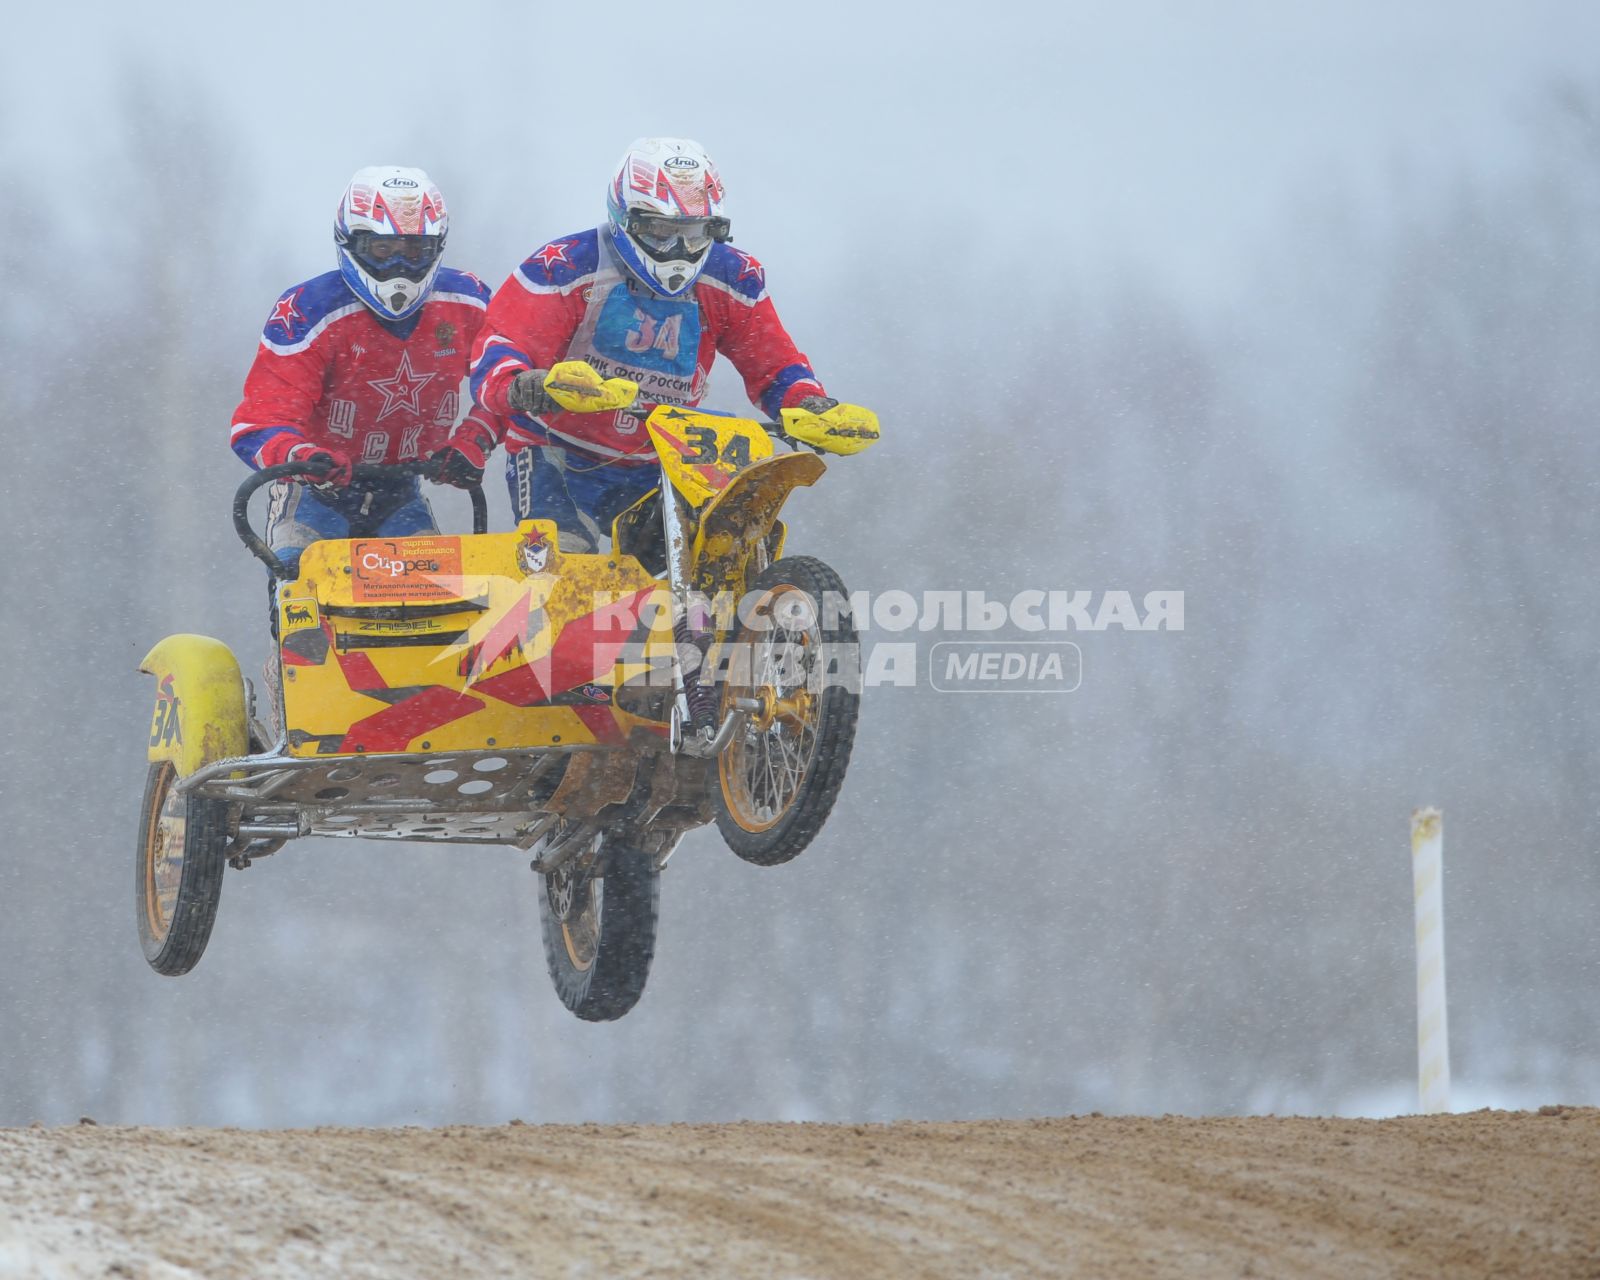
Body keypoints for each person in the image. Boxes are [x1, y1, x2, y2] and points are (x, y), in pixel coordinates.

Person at [436, 137, 878, 551]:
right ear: (625, 219)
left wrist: (809, 403)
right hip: (557, 452)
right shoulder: (564, 266)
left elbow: (773, 365)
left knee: (717, 549)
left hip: (666, 456)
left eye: (695, 232)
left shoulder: (733, 277)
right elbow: (502, 345)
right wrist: (524, 383)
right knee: (568, 577)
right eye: (661, 231)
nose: (679, 250)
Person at [230, 165, 499, 577]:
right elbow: (259, 420)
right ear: (351, 242)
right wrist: (301, 456)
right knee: (300, 595)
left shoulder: (468, 302)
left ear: (436, 247)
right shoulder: (307, 311)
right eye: (382, 248)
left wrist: (472, 439)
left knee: (440, 602)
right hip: (313, 495)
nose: (399, 265)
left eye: (414, 250)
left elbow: (508, 383)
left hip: (403, 491)